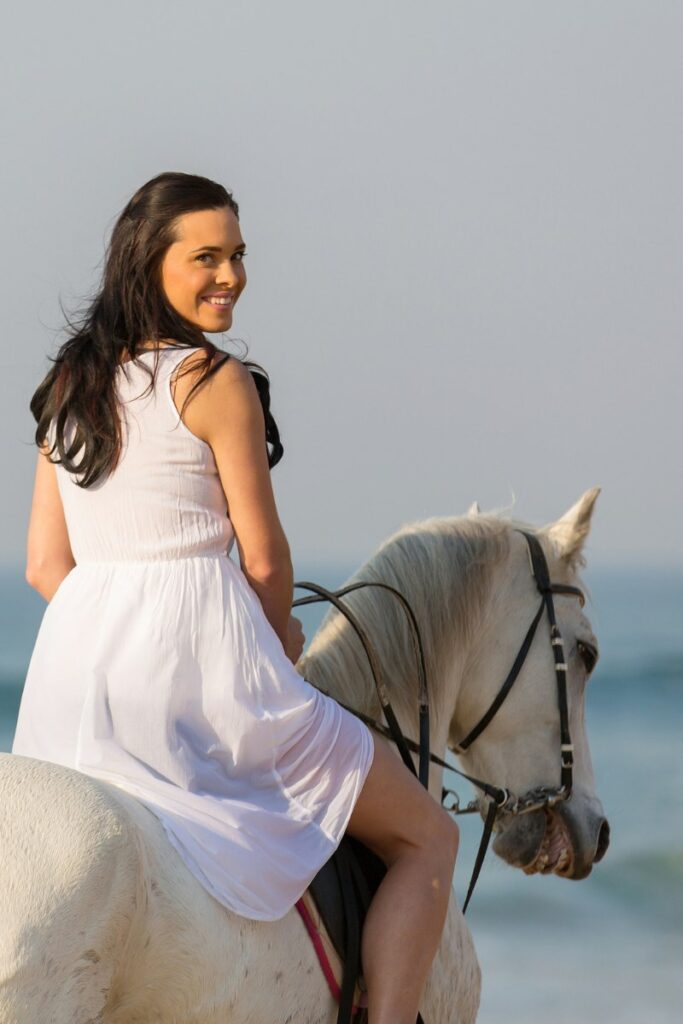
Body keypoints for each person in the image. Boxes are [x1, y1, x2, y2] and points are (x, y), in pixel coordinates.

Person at [13, 171, 459, 1024]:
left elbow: (44, 566)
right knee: (427, 836)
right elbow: (263, 559)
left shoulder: (69, 382)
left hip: (79, 682)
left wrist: (120, 627)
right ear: (150, 264)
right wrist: (275, 643)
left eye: (238, 256)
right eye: (206, 257)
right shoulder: (214, 382)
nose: (230, 276)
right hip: (203, 676)